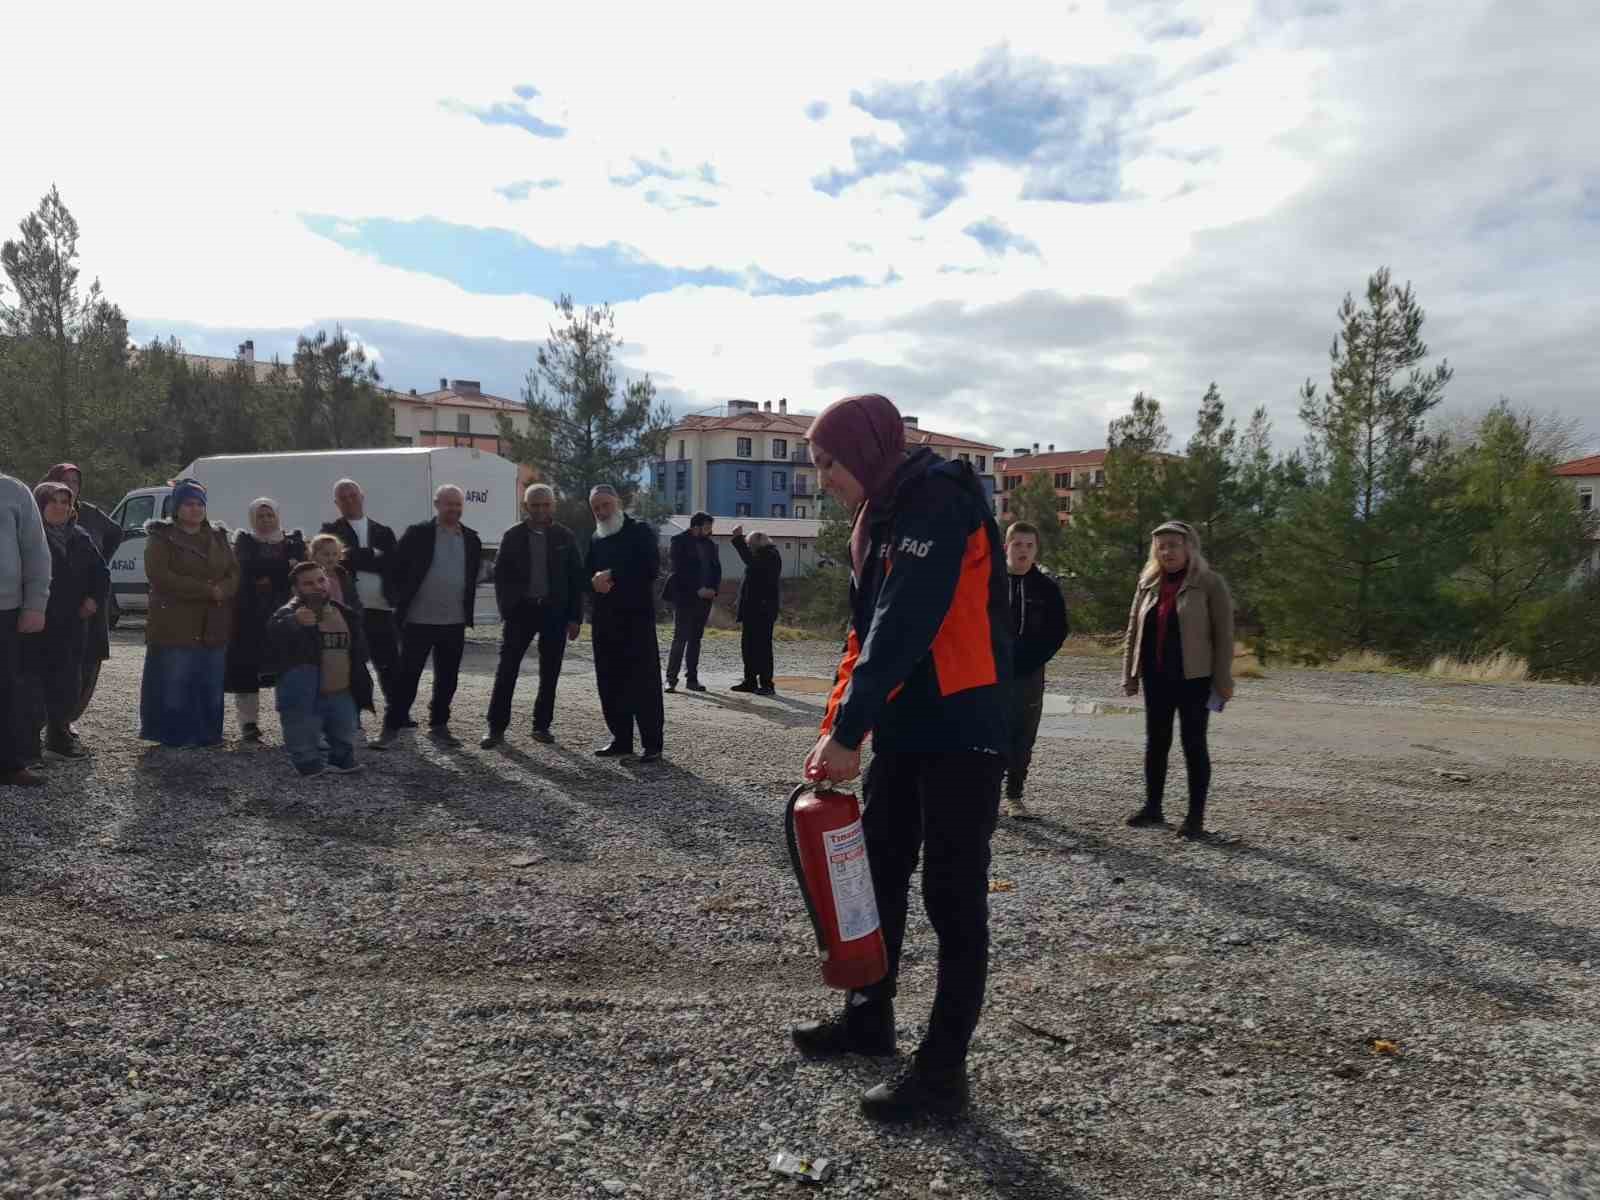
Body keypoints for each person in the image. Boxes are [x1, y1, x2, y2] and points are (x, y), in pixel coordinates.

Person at [790, 393, 1013, 1123]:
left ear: (866, 451)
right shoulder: (879, 514)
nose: (823, 477)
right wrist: (836, 731)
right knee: (876, 874)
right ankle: (869, 1017)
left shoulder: (937, 500)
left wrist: (850, 732)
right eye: (816, 465)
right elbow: (863, 636)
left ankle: (944, 1074)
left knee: (952, 900)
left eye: (829, 463)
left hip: (965, 727)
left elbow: (905, 619)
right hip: (909, 728)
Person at [1120, 520, 1235, 841]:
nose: (1167, 551)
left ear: (1189, 548)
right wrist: (1129, 675)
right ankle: (1152, 808)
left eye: (1174, 545)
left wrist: (1223, 683)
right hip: (1157, 677)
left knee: (1193, 744)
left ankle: (1194, 818)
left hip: (1195, 679)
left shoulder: (1210, 583)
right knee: (1156, 743)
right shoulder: (1147, 583)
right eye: (1161, 546)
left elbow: (1224, 637)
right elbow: (1133, 630)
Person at [482, 483, 585, 748]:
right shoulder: (512, 536)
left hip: (554, 612)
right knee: (507, 670)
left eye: (545, 504)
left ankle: (541, 726)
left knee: (549, 672)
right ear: (525, 506)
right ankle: (495, 728)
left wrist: (575, 617)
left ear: (553, 505)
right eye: (535, 505)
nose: (540, 509)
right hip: (521, 612)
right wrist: (507, 610)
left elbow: (576, 579)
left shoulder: (565, 537)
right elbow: (501, 576)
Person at [140, 478, 240, 748]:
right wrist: (207, 590)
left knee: (210, 680)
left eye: (199, 504)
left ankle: (209, 734)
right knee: (175, 679)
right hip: (175, 621)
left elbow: (234, 571)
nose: (195, 509)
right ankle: (173, 735)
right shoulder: (161, 537)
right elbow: (160, 576)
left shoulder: (219, 537)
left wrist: (224, 589)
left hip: (214, 622)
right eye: (188, 504)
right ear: (176, 507)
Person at [380, 485, 482, 748]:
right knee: (408, 675)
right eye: (449, 504)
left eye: (458, 504)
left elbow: (472, 576)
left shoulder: (471, 538)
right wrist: (395, 600)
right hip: (418, 620)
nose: (454, 509)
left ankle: (439, 725)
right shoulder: (418, 533)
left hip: (454, 620)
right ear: (437, 505)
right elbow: (393, 567)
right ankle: (392, 726)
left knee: (448, 678)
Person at [21, 482, 109, 762]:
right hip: (37, 625)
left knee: (68, 685)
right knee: (33, 687)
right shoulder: (27, 537)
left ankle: (59, 739)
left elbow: (101, 574)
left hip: (72, 625)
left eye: (65, 502)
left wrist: (93, 600)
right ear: (39, 504)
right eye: (54, 501)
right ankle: (28, 748)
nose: (61, 507)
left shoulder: (80, 536)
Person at [265, 562, 372, 778]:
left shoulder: (344, 612)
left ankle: (341, 759)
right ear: (296, 590)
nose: (317, 586)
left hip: (340, 687)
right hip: (303, 689)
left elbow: (358, 648)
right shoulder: (288, 612)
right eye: (308, 583)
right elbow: (272, 634)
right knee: (301, 727)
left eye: (321, 580)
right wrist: (294, 621)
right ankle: (307, 763)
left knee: (345, 726)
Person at [585, 485, 665, 762]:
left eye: (606, 505)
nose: (602, 511)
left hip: (636, 620)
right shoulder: (596, 538)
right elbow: (586, 574)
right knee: (610, 682)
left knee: (643, 682)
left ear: (617, 503)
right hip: (605, 621)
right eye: (596, 508)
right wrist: (592, 581)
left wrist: (612, 574)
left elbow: (651, 568)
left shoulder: (639, 531)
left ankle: (652, 743)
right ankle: (620, 739)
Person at [41, 463, 120, 733]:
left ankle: (66, 722)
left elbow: (109, 549)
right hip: (43, 615)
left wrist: (93, 595)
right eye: (65, 481)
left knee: (83, 665)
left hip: (82, 612)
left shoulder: (85, 523)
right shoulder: (35, 525)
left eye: (76, 482)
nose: (72, 488)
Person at [1000, 521, 1068, 819]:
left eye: (1029, 546)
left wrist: (1031, 659)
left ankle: (1014, 796)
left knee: (1022, 736)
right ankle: (985, 796)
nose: (1023, 551)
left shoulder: (1046, 588)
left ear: (1036, 549)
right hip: (989, 673)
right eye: (1018, 545)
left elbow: (1058, 631)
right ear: (1007, 547)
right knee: (988, 734)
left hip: (1028, 674)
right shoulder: (990, 582)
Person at [225, 499, 306, 743]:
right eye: (260, 516)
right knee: (247, 668)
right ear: (252, 519)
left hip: (287, 614)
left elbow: (297, 573)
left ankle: (293, 720)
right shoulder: (245, 541)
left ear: (277, 516)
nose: (266, 520)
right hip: (250, 614)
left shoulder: (293, 540)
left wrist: (269, 573)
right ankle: (249, 723)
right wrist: (281, 568)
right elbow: (246, 568)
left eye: (270, 515)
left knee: (290, 667)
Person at [321, 479, 401, 708]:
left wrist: (357, 557)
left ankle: (397, 712)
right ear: (337, 503)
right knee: (350, 660)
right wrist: (372, 555)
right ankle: (352, 711)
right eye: (343, 498)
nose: (349, 501)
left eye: (353, 495)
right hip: (346, 608)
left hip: (381, 605)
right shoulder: (330, 531)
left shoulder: (383, 531)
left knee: (389, 661)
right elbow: (336, 560)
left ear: (362, 497)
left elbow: (392, 563)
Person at [1, 472, 52, 788]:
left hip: (4, 610)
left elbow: (36, 552)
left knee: (6, 690)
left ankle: (8, 764)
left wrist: (35, 604)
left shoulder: (14, 491)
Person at [664, 511, 720, 693]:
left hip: (705, 600)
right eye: (706, 527)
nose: (709, 530)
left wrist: (713, 590)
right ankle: (671, 679)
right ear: (695, 526)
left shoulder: (711, 545)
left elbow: (716, 569)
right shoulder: (679, 541)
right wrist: (697, 589)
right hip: (685, 597)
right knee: (680, 638)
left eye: (710, 527)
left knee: (696, 639)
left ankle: (692, 680)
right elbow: (679, 570)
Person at [728, 526, 782, 696]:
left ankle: (767, 683)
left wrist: (738, 541)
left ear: (759, 543)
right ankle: (749, 681)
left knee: (763, 647)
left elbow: (752, 563)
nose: (749, 547)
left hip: (763, 610)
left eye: (750, 544)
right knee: (748, 646)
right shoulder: (760, 555)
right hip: (752, 609)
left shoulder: (771, 555)